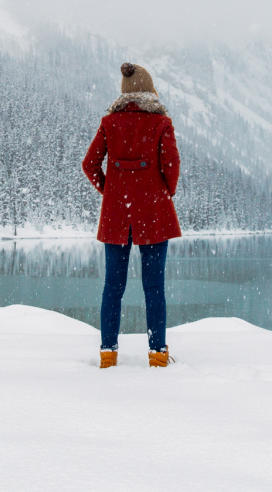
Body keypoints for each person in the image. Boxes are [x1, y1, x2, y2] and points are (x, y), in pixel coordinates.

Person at [82, 62, 181, 368]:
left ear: (124, 92)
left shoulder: (110, 123)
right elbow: (172, 168)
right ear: (150, 90)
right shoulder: (161, 123)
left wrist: (111, 192)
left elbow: (89, 165)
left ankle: (108, 353)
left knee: (113, 286)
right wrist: (162, 193)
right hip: (153, 214)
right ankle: (157, 354)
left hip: (116, 217)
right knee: (154, 287)